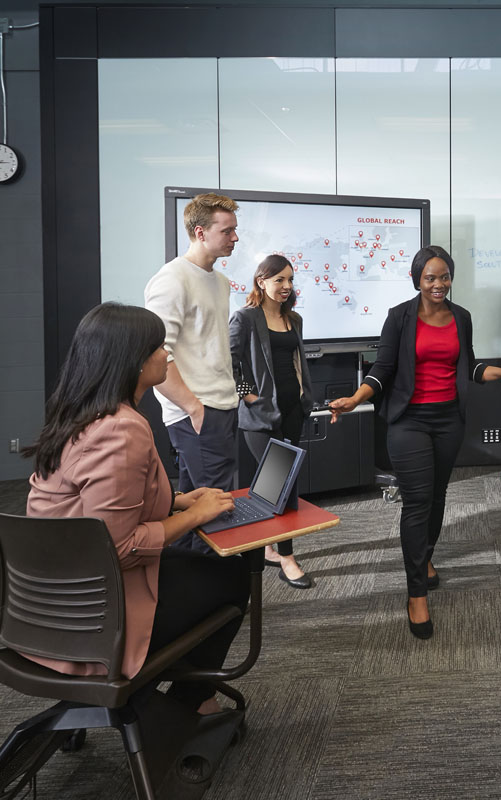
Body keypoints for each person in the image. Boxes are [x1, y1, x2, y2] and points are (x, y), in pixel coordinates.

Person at [24, 303, 249, 713]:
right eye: (159, 347)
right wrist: (193, 517)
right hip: (98, 618)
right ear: (133, 360)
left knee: (192, 564)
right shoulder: (122, 430)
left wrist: (179, 500)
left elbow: (91, 505)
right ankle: (188, 701)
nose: (168, 355)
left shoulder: (78, 414)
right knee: (233, 576)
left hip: (48, 605)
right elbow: (119, 546)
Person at [329, 246, 501, 640]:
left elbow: (468, 365)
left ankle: (425, 559)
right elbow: (383, 369)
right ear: (417, 280)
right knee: (418, 501)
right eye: (431, 278)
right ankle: (416, 594)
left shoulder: (462, 318)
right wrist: (356, 399)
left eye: (444, 277)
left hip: (448, 420)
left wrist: (498, 373)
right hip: (409, 421)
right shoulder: (399, 318)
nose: (439, 285)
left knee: (438, 496)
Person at [144, 192, 241, 551]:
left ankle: (189, 591)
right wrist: (193, 408)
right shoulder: (171, 280)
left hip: (222, 406)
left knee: (194, 505)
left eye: (235, 230)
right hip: (196, 412)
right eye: (227, 231)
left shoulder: (220, 281)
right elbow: (156, 353)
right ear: (200, 232)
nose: (235, 238)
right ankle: (213, 594)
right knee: (212, 511)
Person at [229, 254, 314, 590]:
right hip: (260, 414)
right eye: (279, 280)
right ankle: (287, 558)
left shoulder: (294, 318)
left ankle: (269, 549)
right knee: (281, 485)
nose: (286, 286)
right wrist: (248, 396)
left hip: (294, 409)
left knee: (281, 482)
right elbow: (229, 361)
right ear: (261, 281)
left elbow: (296, 361)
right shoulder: (246, 318)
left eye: (290, 280)